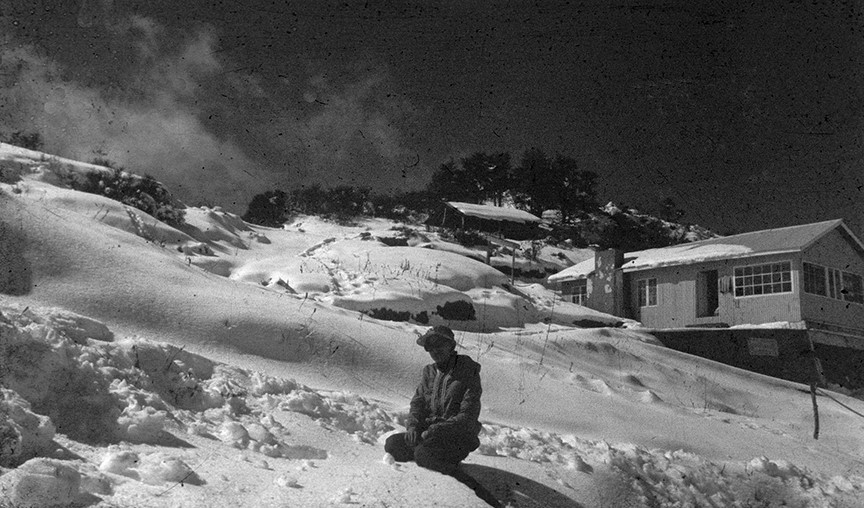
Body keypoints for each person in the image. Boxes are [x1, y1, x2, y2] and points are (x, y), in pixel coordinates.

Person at [385, 325, 500, 506]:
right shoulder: (429, 372)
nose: (434, 351)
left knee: (423, 454)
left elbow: (467, 416)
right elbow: (418, 403)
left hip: (457, 436)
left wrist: (434, 430)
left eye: (440, 345)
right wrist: (414, 426)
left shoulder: (467, 371)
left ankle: (476, 493)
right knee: (393, 444)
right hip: (428, 434)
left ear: (451, 346)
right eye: (430, 347)